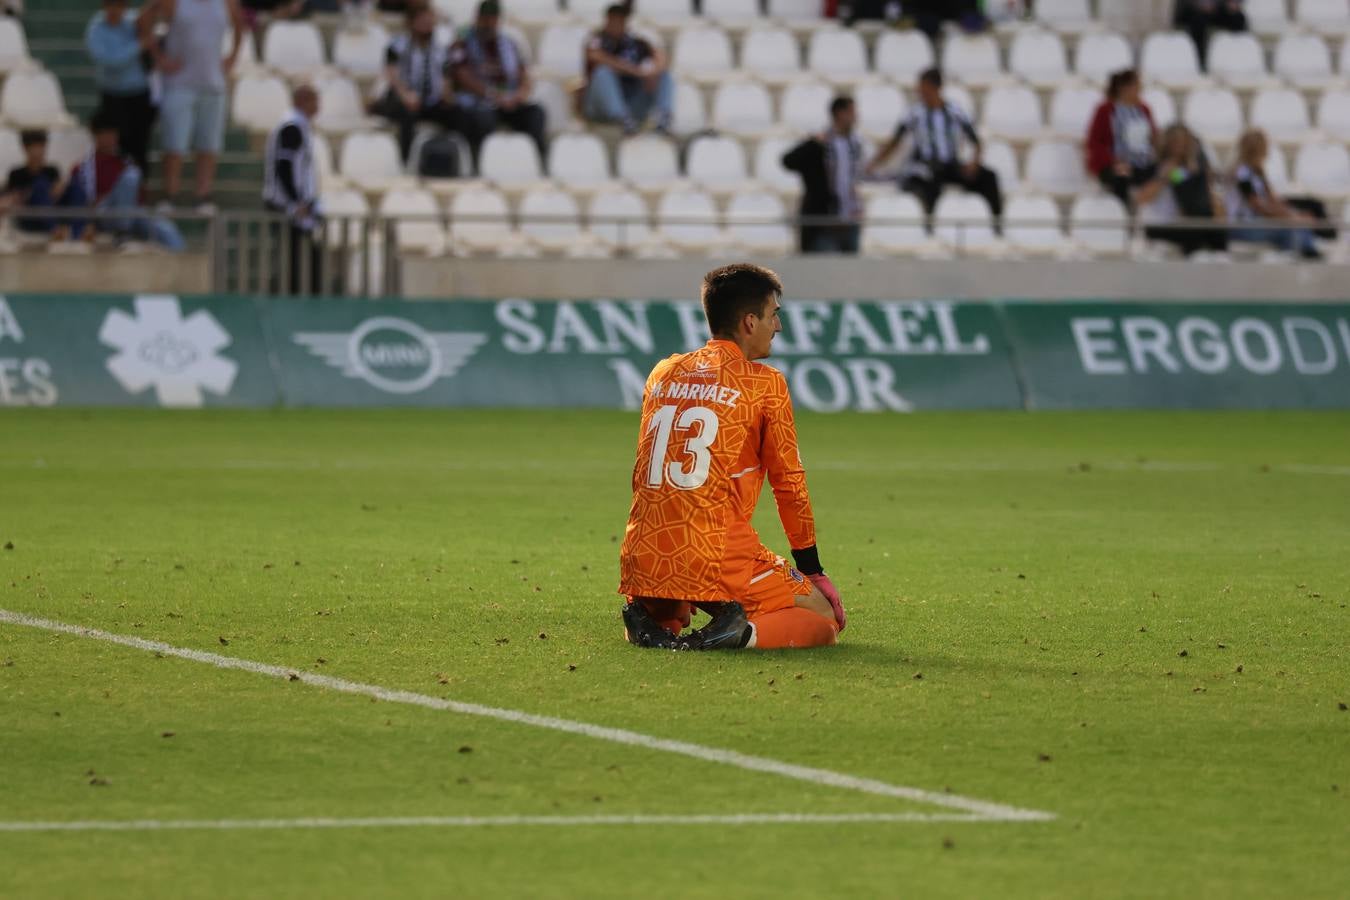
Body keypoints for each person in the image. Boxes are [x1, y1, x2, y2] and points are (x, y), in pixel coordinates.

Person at [618, 264, 847, 652]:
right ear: (749, 321)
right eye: (774, 315)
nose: (778, 327)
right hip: (718, 553)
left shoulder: (663, 372)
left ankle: (647, 613)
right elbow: (789, 483)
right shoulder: (765, 383)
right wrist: (811, 568)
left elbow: (642, 472)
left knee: (673, 612)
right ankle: (738, 634)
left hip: (646, 553)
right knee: (824, 619)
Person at [139, 0, 244, 213]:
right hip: (179, 83)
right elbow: (144, 19)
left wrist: (233, 57)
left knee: (209, 143)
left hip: (213, 84)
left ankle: (204, 195)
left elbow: (240, 25)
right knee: (174, 143)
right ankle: (170, 194)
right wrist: (159, 57)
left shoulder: (226, 2)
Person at [867, 68, 1003, 220]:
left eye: (925, 88)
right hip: (927, 166)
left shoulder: (955, 110)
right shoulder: (914, 112)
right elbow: (895, 141)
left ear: (936, 88)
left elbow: (976, 141)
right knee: (926, 183)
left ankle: (996, 223)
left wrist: (974, 162)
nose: (922, 92)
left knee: (989, 177)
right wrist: (874, 163)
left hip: (951, 165)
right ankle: (930, 225)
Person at [60, 108, 185, 251]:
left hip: (131, 213)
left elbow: (139, 200)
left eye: (113, 133)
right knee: (131, 176)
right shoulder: (83, 167)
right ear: (95, 135)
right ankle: (122, 231)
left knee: (166, 229)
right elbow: (82, 202)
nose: (110, 138)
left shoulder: (126, 163)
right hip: (103, 214)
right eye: (105, 133)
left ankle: (186, 264)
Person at [448, 1, 547, 165]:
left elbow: (524, 75)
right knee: (482, 117)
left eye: (492, 19)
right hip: (480, 100)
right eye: (485, 19)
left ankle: (535, 161)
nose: (488, 24)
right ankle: (482, 163)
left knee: (536, 113)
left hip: (509, 99)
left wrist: (520, 94)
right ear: (477, 18)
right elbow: (462, 76)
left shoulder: (509, 44)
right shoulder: (463, 43)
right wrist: (492, 95)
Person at [368, 4, 463, 163]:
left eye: (429, 22)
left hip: (428, 100)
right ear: (411, 23)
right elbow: (392, 75)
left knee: (457, 113)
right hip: (402, 98)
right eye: (423, 22)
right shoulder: (397, 45)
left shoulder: (440, 49)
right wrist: (406, 95)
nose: (427, 26)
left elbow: (445, 79)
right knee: (407, 115)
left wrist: (447, 96)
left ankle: (449, 159)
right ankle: (406, 161)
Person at [781, 96, 863, 255]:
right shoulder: (820, 144)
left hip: (849, 221)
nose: (856, 116)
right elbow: (787, 161)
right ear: (840, 113)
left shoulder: (855, 144)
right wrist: (813, 143)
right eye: (852, 112)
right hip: (823, 222)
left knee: (850, 273)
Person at [264, 85, 326, 292]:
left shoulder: (300, 126)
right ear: (302, 100)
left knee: (303, 257)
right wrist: (295, 202)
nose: (319, 106)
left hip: (298, 205)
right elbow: (284, 167)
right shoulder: (291, 126)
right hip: (286, 206)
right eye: (315, 100)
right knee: (290, 259)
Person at [86, 0, 157, 178]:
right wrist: (139, 46)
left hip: (139, 94)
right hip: (113, 96)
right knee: (116, 146)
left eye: (119, 5)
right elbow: (110, 60)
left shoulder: (135, 21)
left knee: (140, 143)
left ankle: (140, 191)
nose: (115, 10)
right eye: (111, 5)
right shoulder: (96, 28)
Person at [1226, 129, 1321, 260]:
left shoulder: (1257, 173)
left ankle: (1307, 258)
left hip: (1257, 223)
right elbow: (1259, 207)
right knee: (1289, 232)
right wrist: (1290, 218)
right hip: (1242, 226)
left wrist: (1295, 214)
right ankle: (1307, 260)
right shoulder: (1242, 173)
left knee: (1301, 226)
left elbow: (1272, 201)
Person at [1135, 123, 1227, 257]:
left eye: (1184, 143)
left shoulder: (1184, 170)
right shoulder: (1152, 167)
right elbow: (1141, 198)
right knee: (1195, 234)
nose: (1179, 147)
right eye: (1176, 142)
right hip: (1158, 225)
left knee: (1216, 231)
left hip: (1181, 222)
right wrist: (1163, 178)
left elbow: (1184, 183)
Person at [582, 4, 673, 136]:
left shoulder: (636, 42)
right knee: (603, 73)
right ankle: (622, 117)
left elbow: (660, 58)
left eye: (620, 20)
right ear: (606, 20)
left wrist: (652, 74)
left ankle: (664, 118)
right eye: (613, 20)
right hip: (599, 105)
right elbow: (596, 56)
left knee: (664, 75)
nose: (616, 24)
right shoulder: (597, 39)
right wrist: (634, 71)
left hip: (631, 102)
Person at [1086, 69, 1157, 209]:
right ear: (1123, 88)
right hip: (1115, 164)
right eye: (1136, 86)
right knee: (1122, 174)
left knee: (1169, 173)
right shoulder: (1105, 110)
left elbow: (1153, 136)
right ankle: (1124, 212)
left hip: (1141, 162)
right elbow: (1094, 142)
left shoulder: (1144, 109)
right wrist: (1113, 160)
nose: (1139, 90)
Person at [3, 130, 64, 235]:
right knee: (40, 186)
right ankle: (55, 229)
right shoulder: (16, 174)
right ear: (26, 149)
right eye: (34, 147)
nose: (38, 151)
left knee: (44, 186)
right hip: (28, 217)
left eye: (41, 147)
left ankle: (78, 229)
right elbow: (11, 198)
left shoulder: (52, 171)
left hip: (49, 211)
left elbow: (57, 193)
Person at [1174, 0, 1247, 71]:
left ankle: (1239, 63)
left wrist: (1231, 4)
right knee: (1198, 22)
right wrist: (1200, 5)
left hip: (1218, 8)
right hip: (1193, 10)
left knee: (1238, 18)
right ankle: (1200, 62)